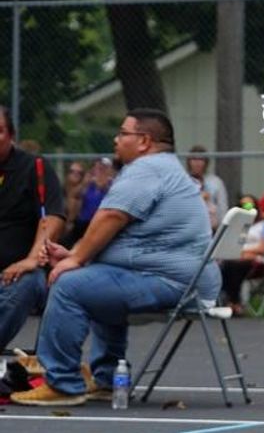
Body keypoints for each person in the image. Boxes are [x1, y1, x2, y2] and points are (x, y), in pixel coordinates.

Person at [13, 109, 219, 406]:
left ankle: (62, 383)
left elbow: (112, 216)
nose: (116, 139)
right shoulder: (165, 168)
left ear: (144, 141)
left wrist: (75, 260)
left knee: (70, 285)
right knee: (96, 278)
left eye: (123, 133)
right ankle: (108, 379)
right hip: (185, 280)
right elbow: (129, 237)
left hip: (171, 281)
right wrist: (77, 255)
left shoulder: (147, 170)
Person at [0, 105, 66, 352]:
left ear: (11, 136)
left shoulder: (34, 167)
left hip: (20, 274)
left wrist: (30, 260)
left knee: (25, 284)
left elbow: (54, 217)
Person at [69, 157, 113, 246]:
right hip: (84, 222)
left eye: (103, 168)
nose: (100, 171)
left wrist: (104, 187)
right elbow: (74, 195)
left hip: (101, 222)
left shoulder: (112, 184)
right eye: (97, 168)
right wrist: (85, 183)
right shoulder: (88, 182)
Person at [186, 145, 229, 231]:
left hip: (211, 227)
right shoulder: (183, 180)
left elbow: (222, 206)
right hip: (189, 226)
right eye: (194, 159)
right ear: (189, 162)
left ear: (206, 162)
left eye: (201, 160)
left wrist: (222, 228)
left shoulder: (215, 182)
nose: (197, 163)